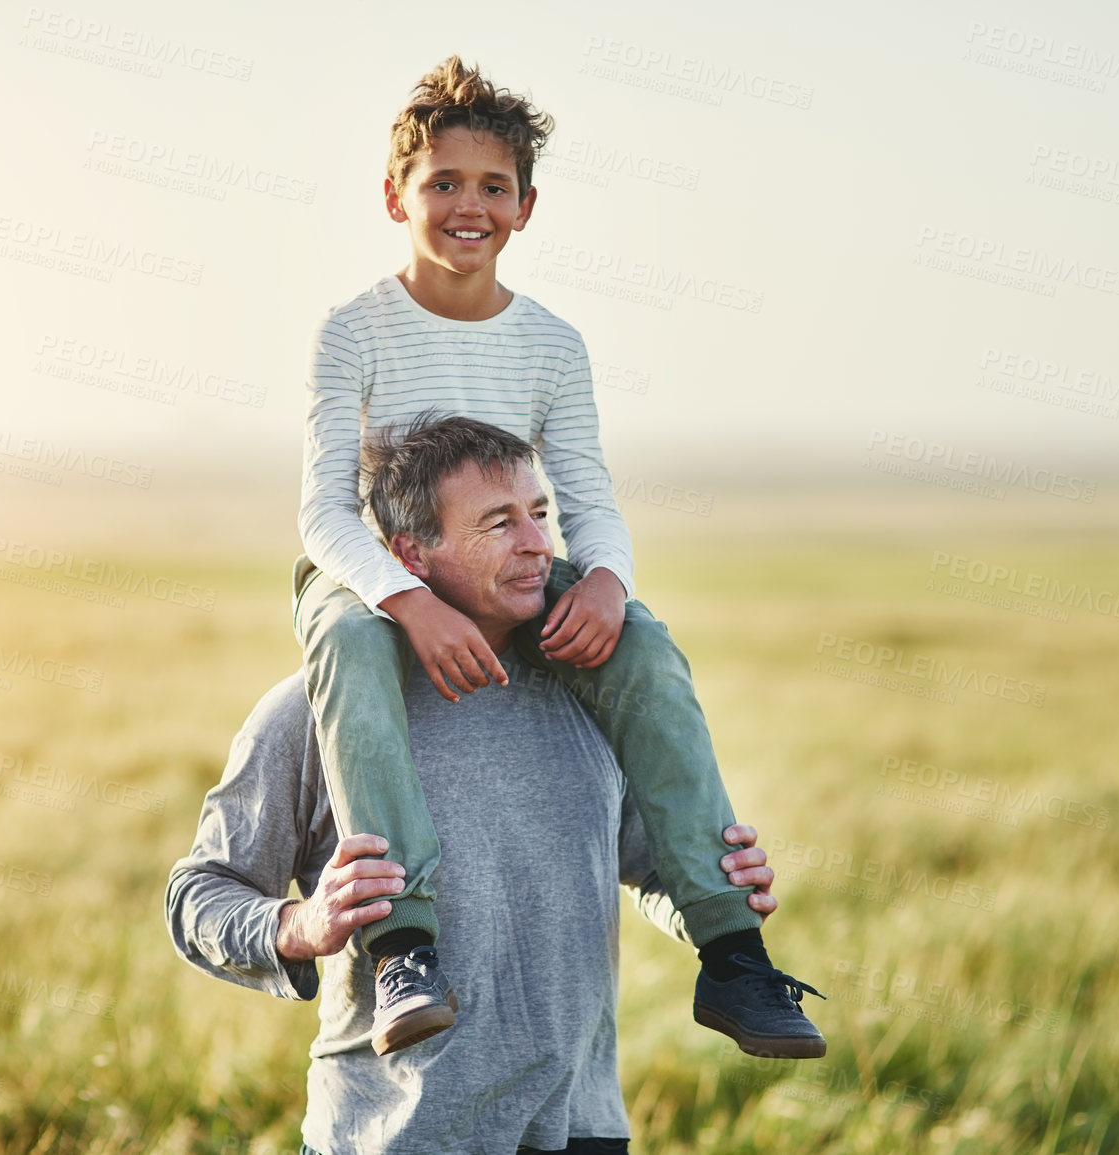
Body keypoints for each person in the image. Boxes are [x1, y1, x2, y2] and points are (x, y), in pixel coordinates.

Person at [295, 56, 823, 1058]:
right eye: (443, 182)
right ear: (394, 196)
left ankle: (733, 951)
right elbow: (323, 512)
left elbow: (586, 498)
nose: (468, 206)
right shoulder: (352, 330)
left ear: (526, 205)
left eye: (493, 186)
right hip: (380, 570)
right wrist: (407, 600)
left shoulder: (551, 344)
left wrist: (611, 583)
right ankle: (404, 944)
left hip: (515, 568)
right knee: (352, 649)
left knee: (648, 649)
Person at [169, 418, 823, 1154]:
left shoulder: (596, 698)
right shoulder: (309, 710)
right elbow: (197, 896)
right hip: (395, 1137)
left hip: (583, 1129)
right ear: (410, 554)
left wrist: (710, 889)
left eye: (540, 514)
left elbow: (641, 869)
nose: (539, 543)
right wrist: (302, 926)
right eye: (498, 523)